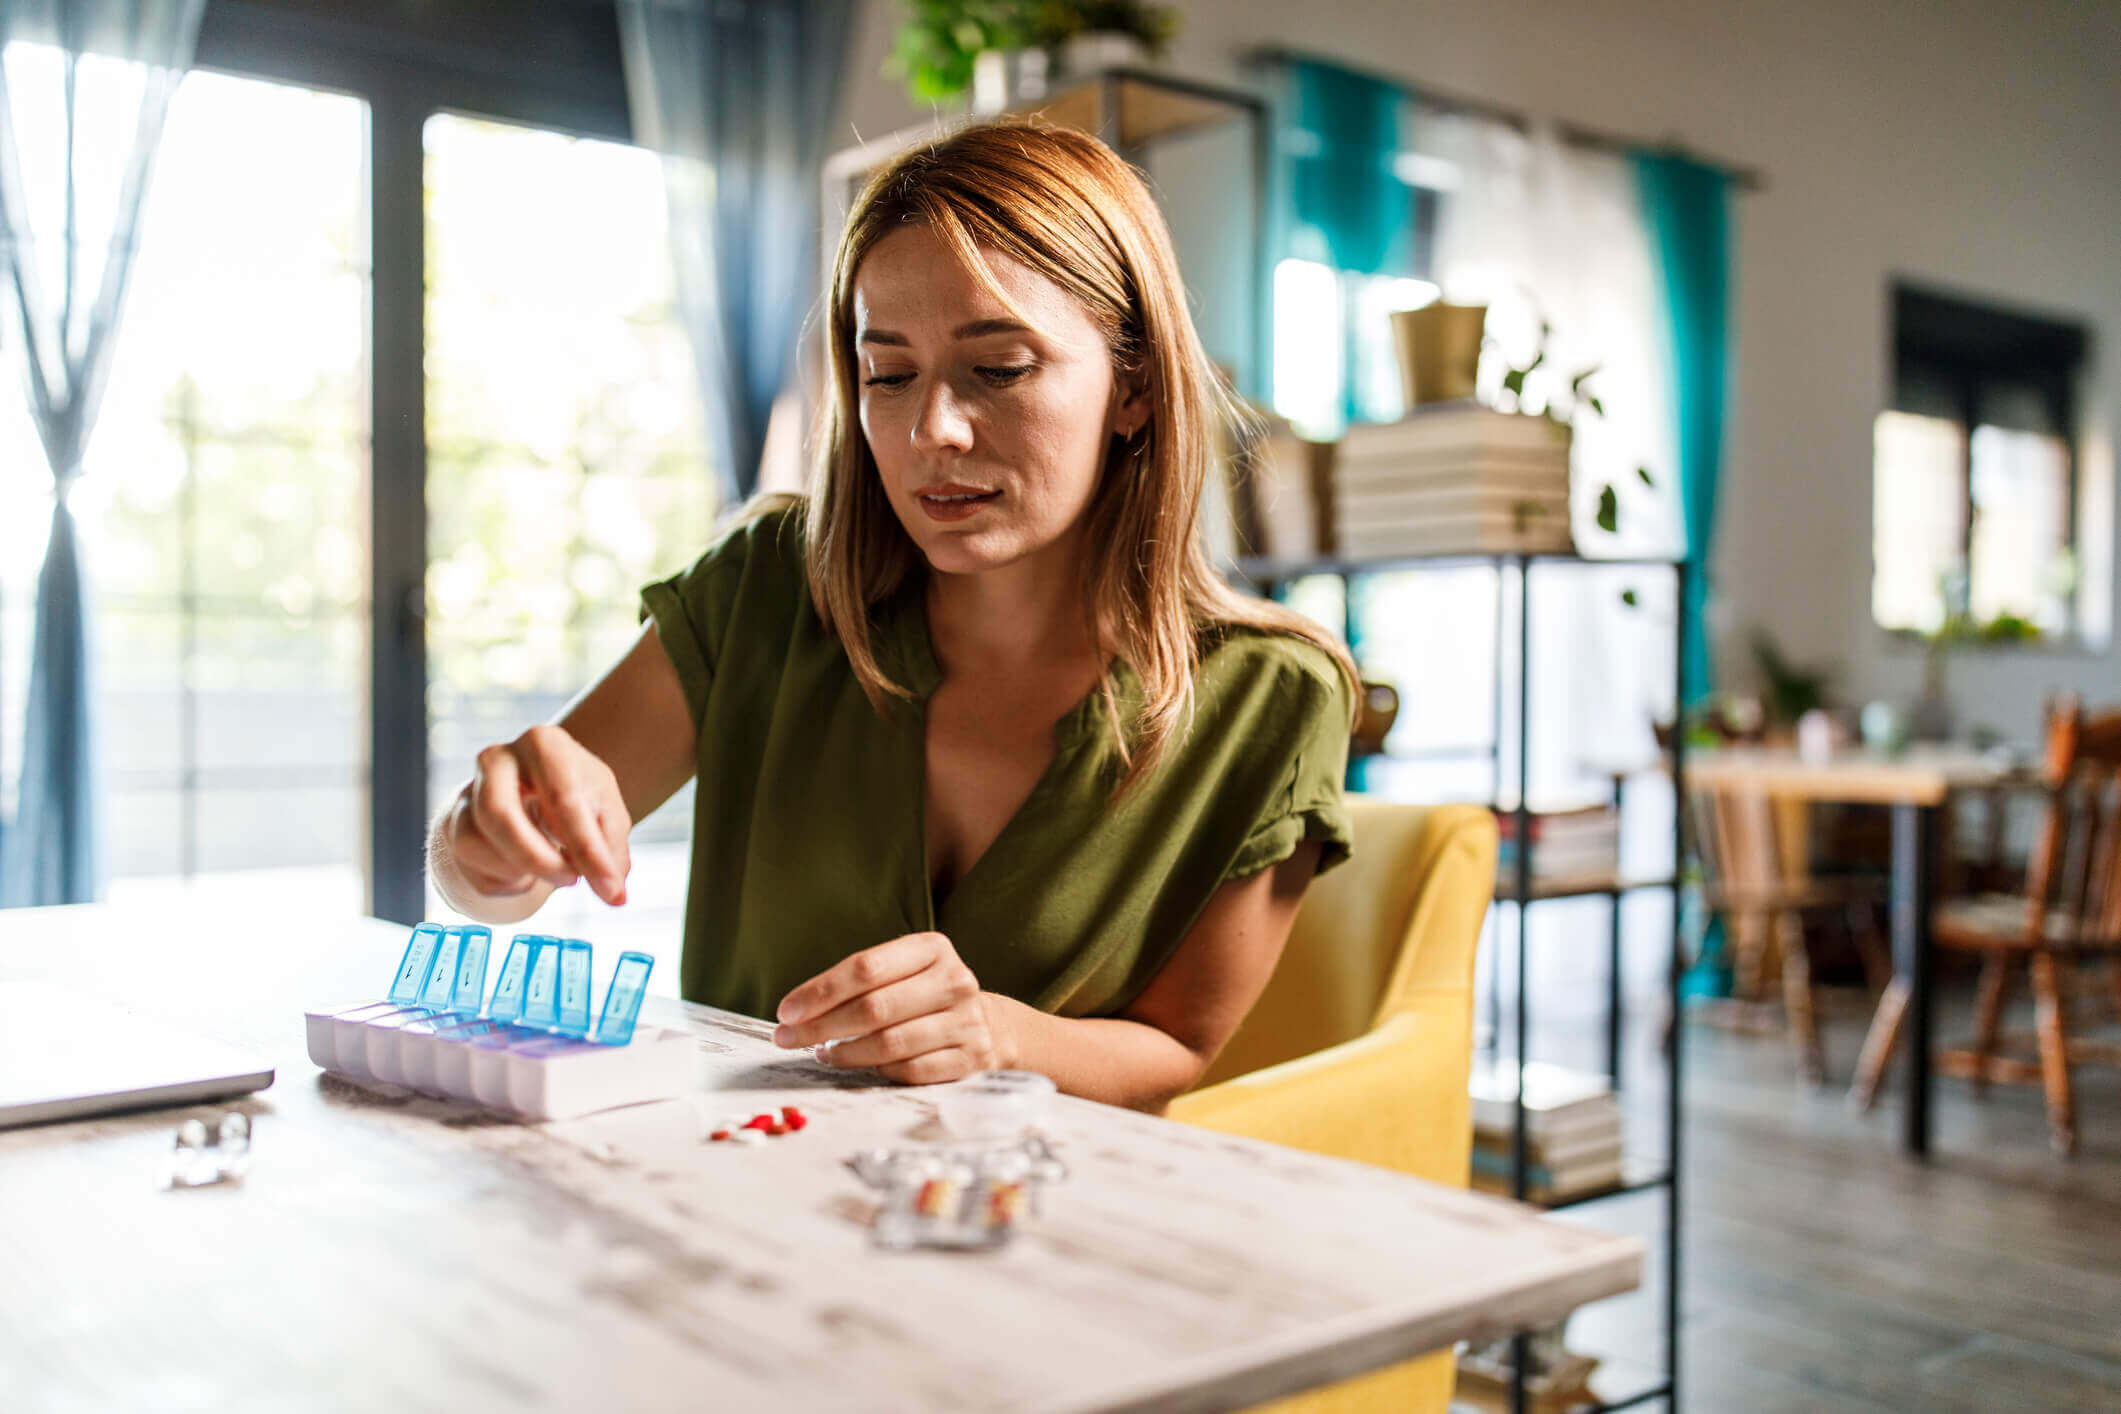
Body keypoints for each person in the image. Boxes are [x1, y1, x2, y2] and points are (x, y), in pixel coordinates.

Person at [428, 121, 1356, 1115]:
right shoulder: (766, 590)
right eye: (888, 374)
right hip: (735, 1197)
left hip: (1030, 1219)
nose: (931, 433)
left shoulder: (1272, 696)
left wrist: (995, 1033)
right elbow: (493, 875)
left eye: (998, 369)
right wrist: (485, 841)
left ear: (1133, 385)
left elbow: (1181, 1048)